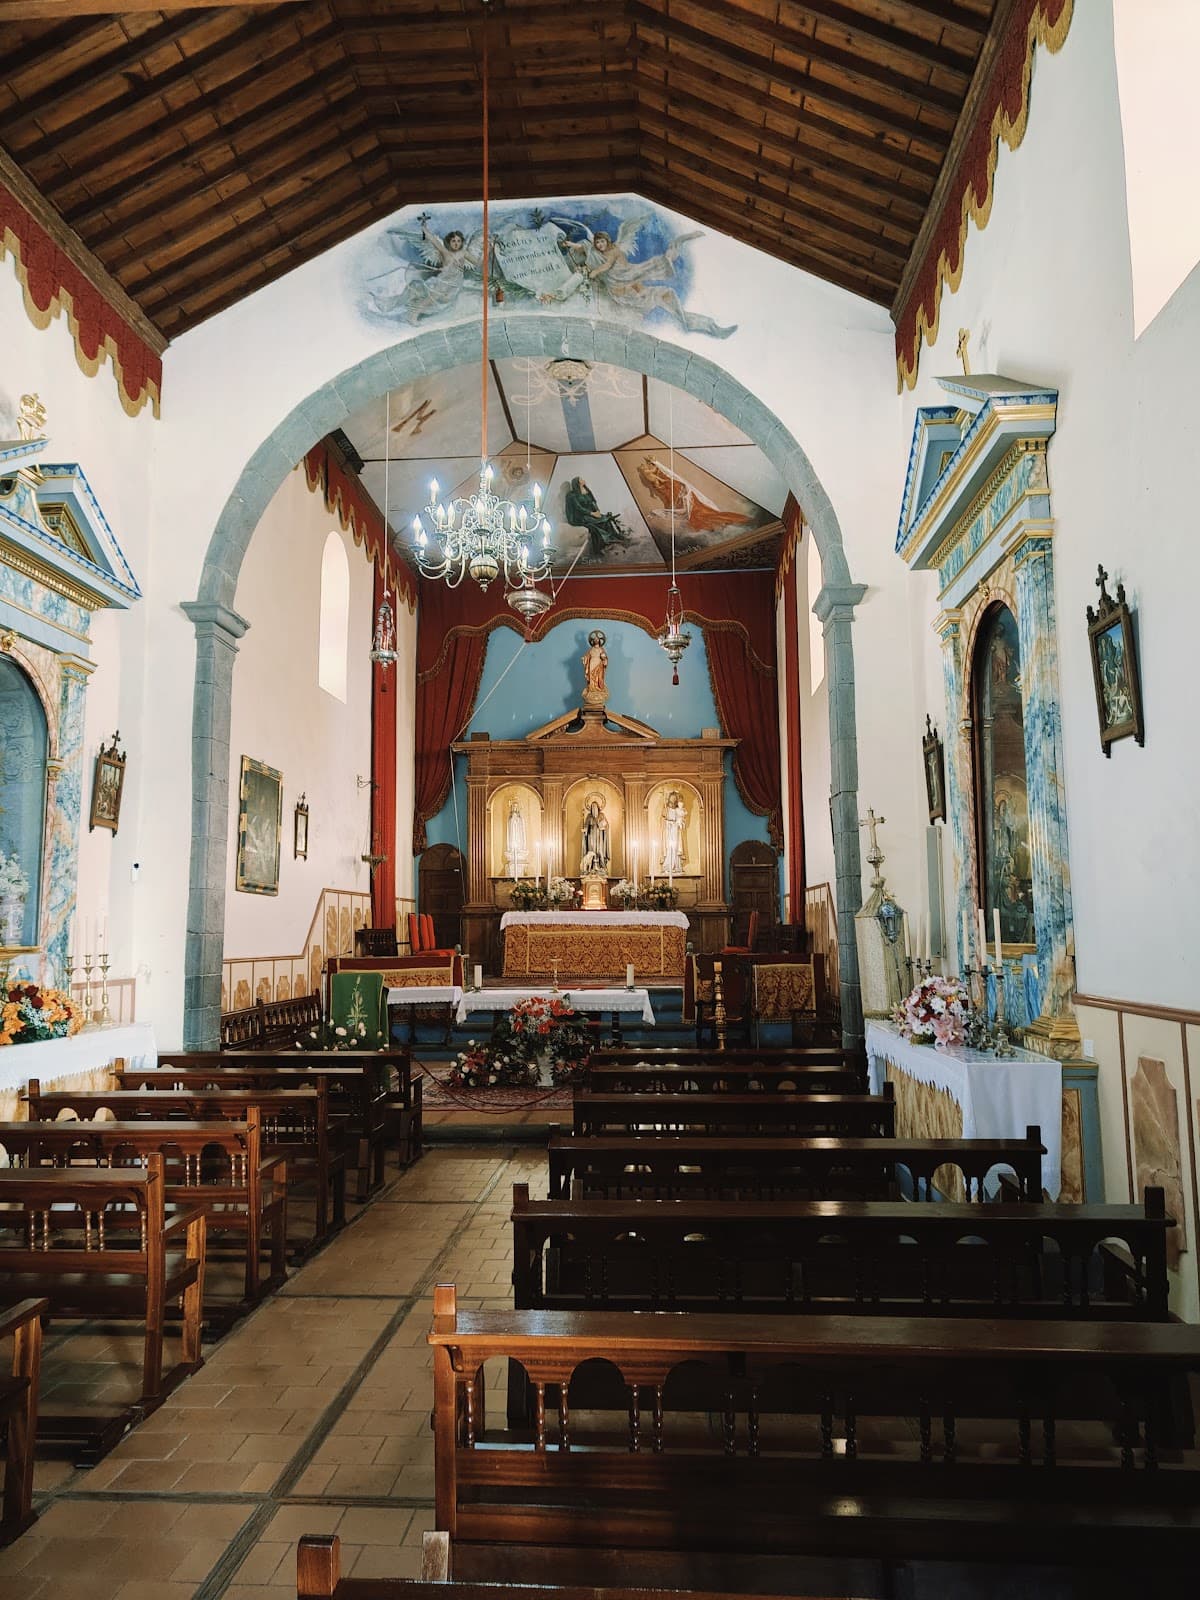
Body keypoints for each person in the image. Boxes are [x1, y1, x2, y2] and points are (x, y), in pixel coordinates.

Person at [563, 477, 632, 560]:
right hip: (580, 516)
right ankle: (603, 545)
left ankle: (615, 539)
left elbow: (593, 502)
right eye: (580, 479)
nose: (583, 479)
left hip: (591, 514)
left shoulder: (587, 491)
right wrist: (592, 514)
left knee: (606, 520)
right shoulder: (572, 495)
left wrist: (597, 512)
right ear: (577, 483)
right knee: (596, 524)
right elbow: (578, 508)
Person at [580, 797, 610, 875]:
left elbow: (606, 825)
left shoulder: (602, 815)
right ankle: (591, 868)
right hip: (591, 837)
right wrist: (585, 830)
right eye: (592, 807)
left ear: (598, 807)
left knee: (600, 851)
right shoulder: (589, 816)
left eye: (595, 807)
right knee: (591, 851)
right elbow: (586, 826)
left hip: (599, 837)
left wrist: (603, 826)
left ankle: (601, 867)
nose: (594, 809)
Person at [660, 790, 687, 876]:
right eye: (671, 797)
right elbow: (662, 819)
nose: (673, 799)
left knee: (675, 847)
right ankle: (668, 865)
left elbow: (682, 820)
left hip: (675, 829)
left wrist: (679, 822)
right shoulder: (666, 809)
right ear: (669, 799)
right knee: (669, 847)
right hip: (668, 829)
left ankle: (676, 865)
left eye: (675, 798)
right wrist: (666, 822)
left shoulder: (678, 810)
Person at [580, 630, 608, 704]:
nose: (596, 640)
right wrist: (584, 658)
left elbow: (605, 658)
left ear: (599, 641)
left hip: (599, 664)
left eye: (597, 639)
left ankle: (598, 688)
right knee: (592, 676)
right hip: (592, 664)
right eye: (594, 639)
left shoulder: (601, 649)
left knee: (599, 677)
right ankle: (592, 688)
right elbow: (587, 656)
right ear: (593, 641)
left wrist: (604, 659)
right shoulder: (591, 649)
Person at [503, 799, 528, 878]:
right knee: (512, 844)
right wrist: (513, 820)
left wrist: (517, 820)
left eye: (516, 807)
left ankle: (519, 850)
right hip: (513, 836)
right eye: (513, 807)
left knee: (519, 844)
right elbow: (509, 827)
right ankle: (513, 851)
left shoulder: (520, 818)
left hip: (519, 837)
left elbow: (522, 828)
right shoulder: (510, 818)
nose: (515, 808)